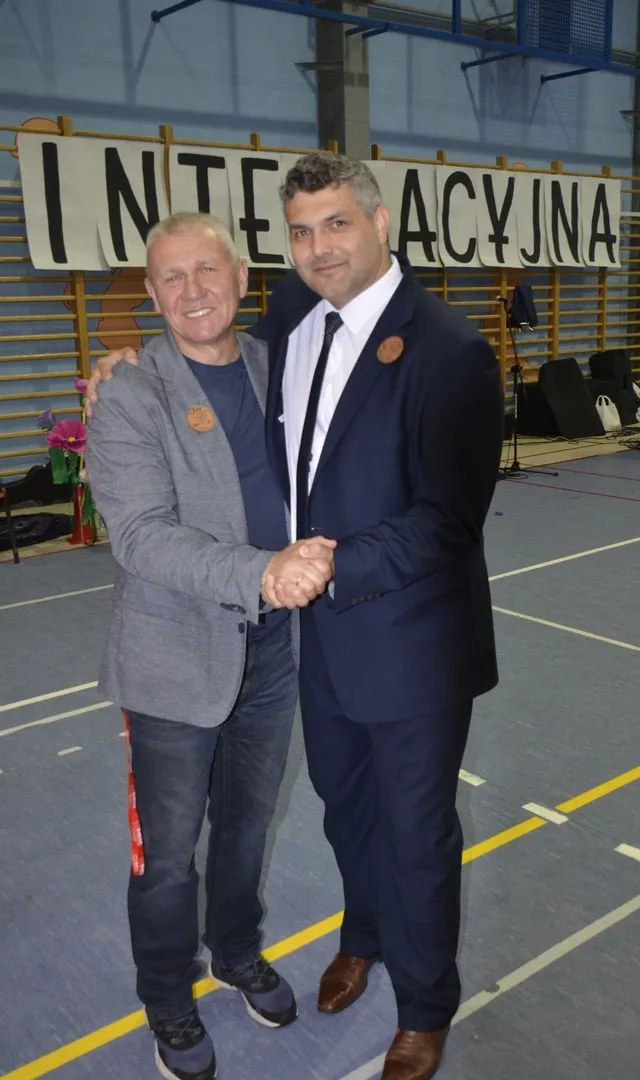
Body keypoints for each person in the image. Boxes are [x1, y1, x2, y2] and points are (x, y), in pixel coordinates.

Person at [89, 153, 503, 1080]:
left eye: (336, 224)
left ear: (379, 222)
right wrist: (122, 360)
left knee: (411, 833)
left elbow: (448, 518)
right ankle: (339, 943)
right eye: (302, 231)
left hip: (398, 641)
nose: (319, 247)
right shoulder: (286, 320)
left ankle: (424, 1006)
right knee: (330, 815)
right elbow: (147, 517)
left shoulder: (449, 350)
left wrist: (319, 570)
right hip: (270, 645)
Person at [85, 211, 337, 1080]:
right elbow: (140, 536)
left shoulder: (282, 369)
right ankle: (166, 997)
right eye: (171, 277)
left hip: (273, 652)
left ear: (240, 279)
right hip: (172, 662)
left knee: (244, 827)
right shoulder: (129, 392)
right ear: (153, 296)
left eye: (206, 270)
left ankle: (234, 952)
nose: (192, 290)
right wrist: (263, 572)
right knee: (167, 857)